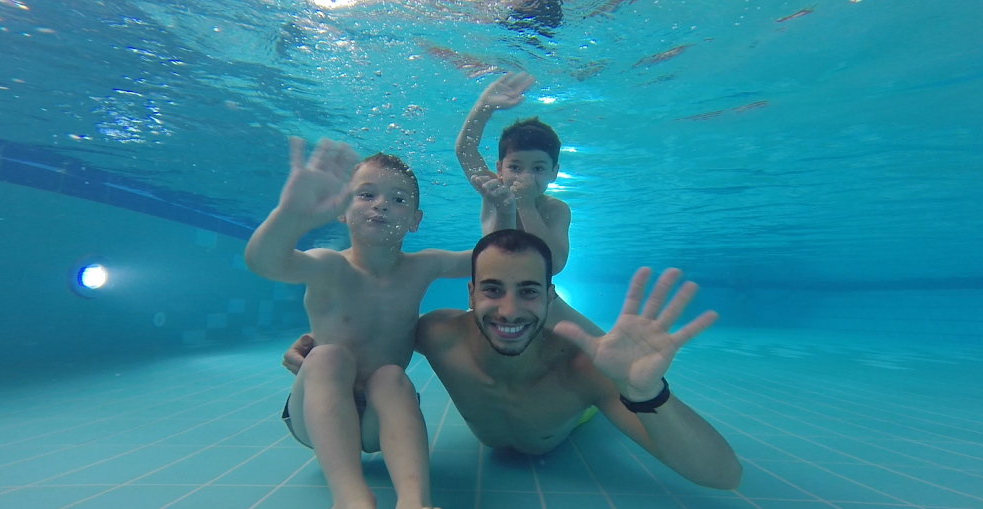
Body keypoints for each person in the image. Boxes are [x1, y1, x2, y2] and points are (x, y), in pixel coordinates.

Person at [284, 230, 744, 490]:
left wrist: (647, 392)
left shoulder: (582, 372)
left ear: (550, 297)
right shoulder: (438, 334)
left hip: (577, 414)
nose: (508, 311)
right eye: (492, 289)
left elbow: (724, 476)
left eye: (528, 291)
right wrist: (315, 345)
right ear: (470, 293)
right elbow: (370, 340)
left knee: (598, 412)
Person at [244, 137, 515, 509]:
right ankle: (351, 498)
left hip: (379, 418)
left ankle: (414, 502)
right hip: (316, 417)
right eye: (366, 194)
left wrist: (503, 210)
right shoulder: (329, 265)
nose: (381, 204)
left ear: (415, 220)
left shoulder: (423, 266)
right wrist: (289, 216)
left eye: (398, 199)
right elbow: (264, 262)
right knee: (327, 358)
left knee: (391, 376)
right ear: (341, 209)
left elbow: (491, 259)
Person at [455, 71, 572, 275]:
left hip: (531, 287)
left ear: (554, 173)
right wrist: (484, 106)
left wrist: (526, 206)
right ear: (500, 169)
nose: (525, 176)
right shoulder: (492, 191)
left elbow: (554, 265)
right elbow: (465, 151)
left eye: (538, 168)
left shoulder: (556, 210)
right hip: (493, 282)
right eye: (515, 167)